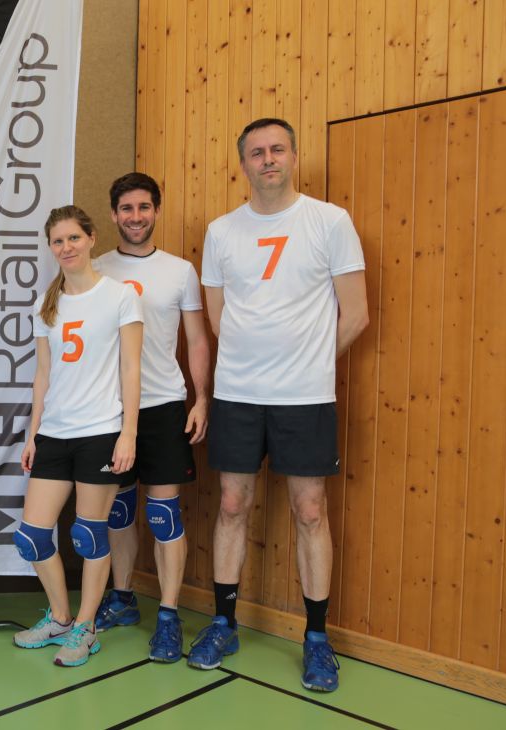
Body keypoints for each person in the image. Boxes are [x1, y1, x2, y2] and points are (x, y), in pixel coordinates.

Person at [193, 118, 369, 692]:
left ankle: (316, 639)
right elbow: (217, 317)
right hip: (238, 394)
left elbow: (356, 314)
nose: (267, 159)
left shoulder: (329, 221)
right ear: (243, 163)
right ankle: (224, 624)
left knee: (310, 511)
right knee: (232, 503)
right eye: (256, 152)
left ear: (293, 155)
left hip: (304, 397)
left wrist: (309, 362)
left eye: (276, 149)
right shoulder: (221, 232)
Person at [12, 205, 143, 667]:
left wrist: (128, 433)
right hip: (54, 433)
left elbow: (131, 368)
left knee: (89, 535)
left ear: (91, 239)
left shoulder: (120, 296)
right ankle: (61, 618)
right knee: (31, 537)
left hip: (100, 431)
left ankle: (86, 627)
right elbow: (43, 375)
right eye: (58, 241)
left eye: (73, 238)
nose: (66, 247)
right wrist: (33, 434)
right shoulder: (46, 304)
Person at [92, 173, 210, 663]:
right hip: (109, 410)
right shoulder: (94, 268)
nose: (135, 216)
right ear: (114, 214)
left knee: (163, 516)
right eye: (126, 208)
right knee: (118, 513)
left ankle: (167, 615)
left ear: (156, 211)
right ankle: (122, 599)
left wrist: (201, 398)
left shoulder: (180, 271)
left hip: (163, 406)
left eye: (144, 207)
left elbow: (197, 340)